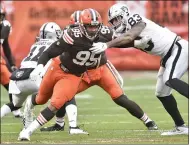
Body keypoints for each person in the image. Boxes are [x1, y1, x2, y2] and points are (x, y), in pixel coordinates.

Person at [18, 8, 158, 141]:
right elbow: (50, 51)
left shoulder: (104, 32)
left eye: (95, 26)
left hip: (84, 73)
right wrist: (40, 66)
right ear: (81, 26)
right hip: (60, 68)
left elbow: (120, 41)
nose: (92, 29)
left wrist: (136, 42)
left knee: (59, 102)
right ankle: (34, 110)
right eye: (89, 26)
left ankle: (29, 131)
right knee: (42, 98)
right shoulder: (72, 35)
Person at [90, 3, 188, 136]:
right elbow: (126, 41)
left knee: (170, 79)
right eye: (113, 21)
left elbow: (130, 37)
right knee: (162, 93)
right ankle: (181, 127)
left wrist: (107, 45)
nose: (115, 23)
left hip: (177, 48)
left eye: (117, 19)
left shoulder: (134, 19)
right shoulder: (122, 31)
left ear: (125, 14)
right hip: (167, 55)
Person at [36, 10, 89, 134]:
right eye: (76, 27)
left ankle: (67, 125)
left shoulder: (91, 33)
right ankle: (66, 125)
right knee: (51, 97)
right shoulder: (68, 34)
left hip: (71, 68)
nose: (78, 30)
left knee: (65, 95)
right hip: (61, 67)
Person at [1, 22, 62, 123]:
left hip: (18, 77)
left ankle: (27, 123)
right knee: (63, 93)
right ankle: (66, 124)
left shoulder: (35, 45)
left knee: (15, 104)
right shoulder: (55, 45)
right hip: (35, 78)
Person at [0, 6, 22, 117]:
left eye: (1, 16)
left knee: (12, 85)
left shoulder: (5, 26)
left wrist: (12, 64)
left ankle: (15, 110)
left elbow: (5, 46)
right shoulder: (5, 26)